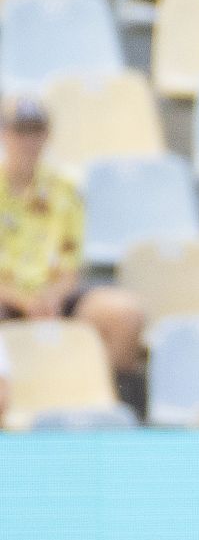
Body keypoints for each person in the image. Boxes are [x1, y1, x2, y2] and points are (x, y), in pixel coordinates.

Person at [0, 95, 145, 391]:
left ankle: (98, 397)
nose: (28, 141)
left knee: (126, 315)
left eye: (35, 131)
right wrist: (23, 300)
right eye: (20, 131)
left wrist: (51, 298)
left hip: (54, 295)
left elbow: (70, 266)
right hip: (7, 296)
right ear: (5, 134)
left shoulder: (64, 191)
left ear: (47, 136)